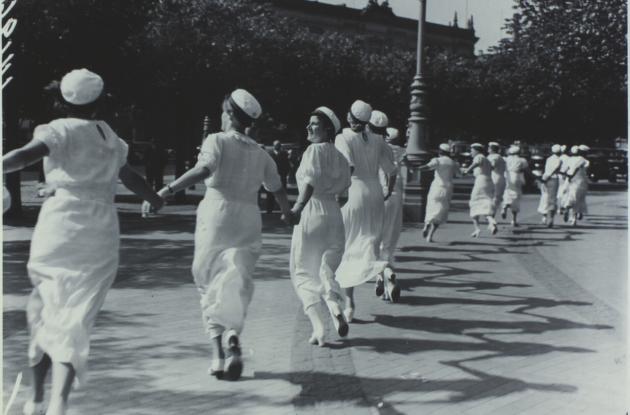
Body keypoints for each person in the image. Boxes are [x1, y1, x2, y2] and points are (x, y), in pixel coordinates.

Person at [2, 69, 163, 415]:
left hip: (61, 221)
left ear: (61, 100)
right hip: (102, 227)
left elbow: (24, 156)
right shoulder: (110, 136)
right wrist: (156, 197)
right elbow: (130, 176)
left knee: (43, 305)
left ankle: (34, 398)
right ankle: (58, 401)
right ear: (101, 102)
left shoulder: (58, 129)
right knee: (75, 313)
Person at [144, 89, 293, 381]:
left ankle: (217, 355)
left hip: (217, 213)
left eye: (223, 112)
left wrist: (165, 190)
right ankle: (233, 334)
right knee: (237, 278)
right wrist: (287, 214)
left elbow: (203, 169)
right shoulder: (261, 153)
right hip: (249, 217)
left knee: (207, 280)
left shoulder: (217, 140)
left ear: (229, 115)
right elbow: (277, 188)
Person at [288, 106, 351, 346]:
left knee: (303, 270)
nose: (308, 127)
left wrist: (297, 208)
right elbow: (344, 193)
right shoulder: (341, 158)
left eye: (314, 124)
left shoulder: (314, 150)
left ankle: (318, 327)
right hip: (333, 214)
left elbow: (310, 182)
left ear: (326, 129)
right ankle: (335, 307)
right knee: (326, 268)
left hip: (312, 212)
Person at [334, 103, 396, 321]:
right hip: (375, 192)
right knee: (370, 240)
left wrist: (338, 191)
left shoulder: (343, 137)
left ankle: (349, 304)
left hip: (354, 190)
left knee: (350, 244)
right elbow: (392, 169)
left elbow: (347, 167)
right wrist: (389, 190)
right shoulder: (378, 140)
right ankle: (384, 270)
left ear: (349, 116)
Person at [377, 125, 405, 302]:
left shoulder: (377, 148)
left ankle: (383, 275)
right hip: (396, 195)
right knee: (389, 239)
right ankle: (386, 281)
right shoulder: (401, 151)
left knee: (375, 239)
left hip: (379, 194)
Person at [417, 143, 460, 242]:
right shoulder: (453, 163)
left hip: (436, 186)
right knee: (441, 210)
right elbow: (459, 174)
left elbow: (427, 167)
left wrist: (417, 168)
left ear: (440, 151)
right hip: (447, 188)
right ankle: (430, 236)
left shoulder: (437, 160)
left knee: (431, 206)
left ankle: (426, 225)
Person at [463, 143, 498, 237]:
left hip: (481, 181)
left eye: (471, 150)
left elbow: (477, 163)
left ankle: (477, 228)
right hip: (489, 181)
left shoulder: (479, 156)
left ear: (476, 150)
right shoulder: (487, 159)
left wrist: (467, 170)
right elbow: (492, 168)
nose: (471, 152)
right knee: (486, 202)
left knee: (474, 203)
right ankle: (491, 221)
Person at [501, 146, 530, 227]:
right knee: (516, 197)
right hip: (517, 177)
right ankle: (513, 219)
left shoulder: (506, 159)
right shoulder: (522, 160)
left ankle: (505, 206)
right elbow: (527, 170)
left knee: (507, 193)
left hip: (507, 176)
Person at [562, 144, 590, 225]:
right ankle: (574, 217)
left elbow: (564, 170)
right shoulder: (584, 160)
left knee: (569, 195)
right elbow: (585, 169)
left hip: (569, 179)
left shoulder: (569, 159)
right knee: (578, 198)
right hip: (580, 180)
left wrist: (567, 177)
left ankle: (567, 206)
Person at [537, 144, 563, 227]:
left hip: (545, 177)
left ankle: (544, 217)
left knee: (544, 196)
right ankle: (550, 219)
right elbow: (554, 169)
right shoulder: (559, 160)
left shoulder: (549, 159)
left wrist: (544, 178)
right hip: (553, 178)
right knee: (552, 198)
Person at [487, 142, 506, 216]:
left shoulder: (494, 157)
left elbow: (493, 166)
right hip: (501, 178)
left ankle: (492, 213)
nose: (488, 149)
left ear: (492, 149)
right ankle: (503, 208)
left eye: (489, 148)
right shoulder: (500, 156)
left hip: (494, 177)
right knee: (499, 196)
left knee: (493, 196)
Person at [557, 145, 572, 216]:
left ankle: (559, 208)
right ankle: (565, 205)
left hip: (559, 176)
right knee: (566, 192)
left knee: (559, 192)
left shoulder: (558, 158)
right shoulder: (569, 158)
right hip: (566, 176)